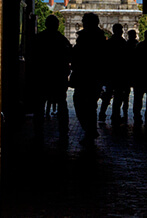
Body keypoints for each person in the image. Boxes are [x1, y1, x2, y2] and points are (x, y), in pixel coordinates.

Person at [32, 14, 71, 140]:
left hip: (42, 77)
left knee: (39, 107)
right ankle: (63, 132)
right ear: (57, 25)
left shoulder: (38, 38)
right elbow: (69, 58)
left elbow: (33, 58)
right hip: (58, 78)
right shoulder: (62, 40)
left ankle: (38, 132)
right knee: (62, 105)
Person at [71, 12, 106, 145]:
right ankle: (90, 130)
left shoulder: (84, 37)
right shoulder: (101, 38)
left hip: (84, 75)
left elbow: (78, 55)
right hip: (95, 76)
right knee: (91, 106)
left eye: (84, 21)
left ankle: (89, 130)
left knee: (80, 103)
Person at [104, 23, 128, 126]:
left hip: (110, 73)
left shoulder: (109, 43)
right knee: (118, 96)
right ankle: (116, 115)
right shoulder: (123, 43)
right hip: (120, 74)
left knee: (107, 95)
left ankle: (102, 113)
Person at [132, 28, 147, 127]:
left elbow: (134, 62)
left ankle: (137, 116)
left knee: (137, 99)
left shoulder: (139, 46)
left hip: (139, 77)